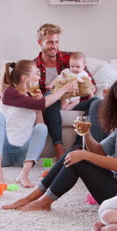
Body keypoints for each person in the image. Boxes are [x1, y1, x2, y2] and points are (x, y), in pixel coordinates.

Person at [2, 76, 117, 211]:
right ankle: (32, 197)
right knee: (74, 152)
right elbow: (100, 151)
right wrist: (86, 134)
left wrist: (84, 155)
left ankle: (44, 203)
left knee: (79, 160)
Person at [0, 60, 77, 188]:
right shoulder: (9, 93)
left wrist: (37, 104)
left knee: (42, 127)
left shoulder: (32, 98)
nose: (39, 77)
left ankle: (24, 174)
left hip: (22, 155)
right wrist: (63, 89)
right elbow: (41, 103)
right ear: (25, 78)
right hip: (4, 152)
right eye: (36, 73)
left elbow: (39, 125)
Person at [34, 23, 99, 160]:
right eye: (50, 42)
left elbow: (91, 84)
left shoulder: (70, 59)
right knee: (51, 99)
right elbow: (36, 95)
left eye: (56, 42)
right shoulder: (35, 66)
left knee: (97, 103)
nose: (54, 46)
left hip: (75, 101)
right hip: (53, 103)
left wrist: (79, 87)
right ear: (40, 43)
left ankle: (78, 147)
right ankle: (59, 148)